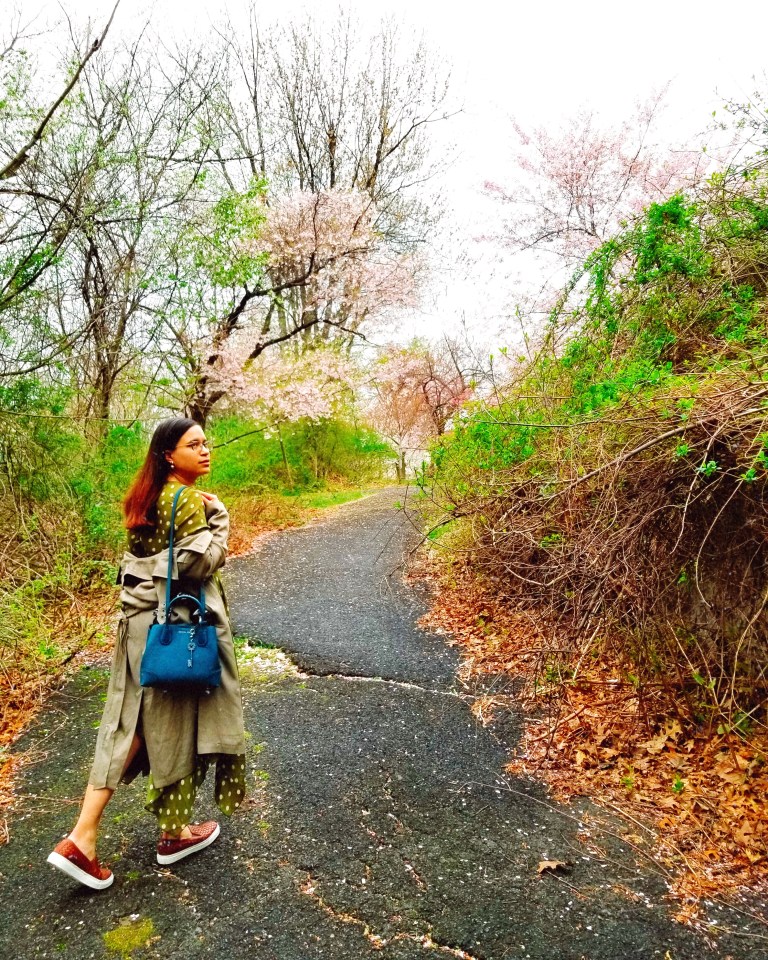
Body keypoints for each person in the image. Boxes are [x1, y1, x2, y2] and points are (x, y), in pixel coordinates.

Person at [47, 417, 246, 890]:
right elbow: (196, 565)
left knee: (134, 724)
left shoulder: (151, 496)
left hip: (140, 626)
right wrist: (222, 521)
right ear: (167, 455)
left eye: (205, 442)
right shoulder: (189, 501)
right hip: (174, 630)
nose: (205, 450)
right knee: (159, 725)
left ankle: (169, 832)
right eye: (192, 444)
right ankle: (84, 837)